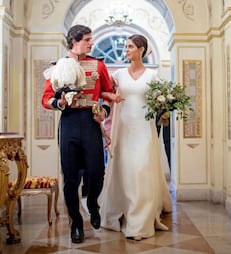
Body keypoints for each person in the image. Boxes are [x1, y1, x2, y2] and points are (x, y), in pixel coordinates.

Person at [41, 24, 115, 244]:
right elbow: (45, 99)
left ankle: (93, 203)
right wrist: (60, 102)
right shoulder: (57, 67)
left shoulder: (99, 65)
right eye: (87, 40)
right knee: (71, 177)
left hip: (91, 122)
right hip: (70, 122)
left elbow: (108, 94)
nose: (91, 43)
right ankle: (75, 223)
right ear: (74, 41)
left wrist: (105, 111)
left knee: (96, 172)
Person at [99, 34, 172, 241]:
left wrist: (165, 109)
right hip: (124, 128)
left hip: (144, 129)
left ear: (141, 49)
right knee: (126, 171)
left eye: (130, 46)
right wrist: (109, 97)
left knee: (141, 170)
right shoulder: (118, 75)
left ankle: (139, 221)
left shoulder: (153, 75)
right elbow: (104, 92)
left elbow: (163, 100)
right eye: (126, 47)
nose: (126, 50)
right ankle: (124, 211)